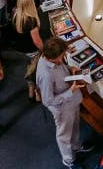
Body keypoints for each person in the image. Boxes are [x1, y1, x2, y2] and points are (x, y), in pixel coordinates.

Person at [36, 37, 89, 168]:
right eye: (62, 55)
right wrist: (70, 91)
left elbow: (60, 69)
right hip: (62, 107)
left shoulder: (52, 60)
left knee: (75, 125)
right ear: (53, 57)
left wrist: (70, 69)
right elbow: (48, 100)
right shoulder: (45, 74)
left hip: (72, 101)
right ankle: (69, 160)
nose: (64, 56)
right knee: (64, 135)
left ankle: (76, 147)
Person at [10, 0, 47, 100]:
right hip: (32, 51)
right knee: (36, 70)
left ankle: (31, 90)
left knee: (29, 68)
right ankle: (37, 93)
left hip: (21, 49)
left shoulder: (14, 12)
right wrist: (45, 51)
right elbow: (37, 41)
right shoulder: (31, 20)